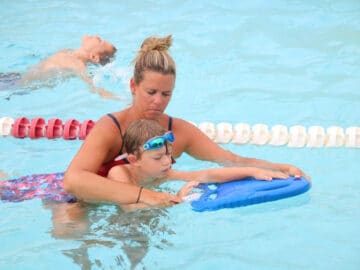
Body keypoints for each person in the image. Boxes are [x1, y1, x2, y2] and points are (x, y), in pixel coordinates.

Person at [64, 34, 308, 208]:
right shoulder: (111, 128)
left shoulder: (179, 131)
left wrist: (279, 168)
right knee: (69, 225)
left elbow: (230, 160)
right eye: (151, 93)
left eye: (166, 94)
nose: (158, 102)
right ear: (133, 86)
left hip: (145, 207)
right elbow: (73, 180)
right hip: (84, 202)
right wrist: (145, 196)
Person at [108, 119, 289, 211]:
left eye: (169, 154)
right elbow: (129, 208)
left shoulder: (163, 173)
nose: (167, 161)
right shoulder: (120, 174)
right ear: (134, 160)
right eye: (158, 158)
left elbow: (206, 175)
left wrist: (252, 171)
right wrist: (176, 198)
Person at [1, 35, 118, 99]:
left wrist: (113, 96)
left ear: (94, 57)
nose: (97, 37)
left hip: (19, 85)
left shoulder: (79, 66)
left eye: (101, 41)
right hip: (17, 75)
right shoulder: (67, 51)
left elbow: (93, 87)